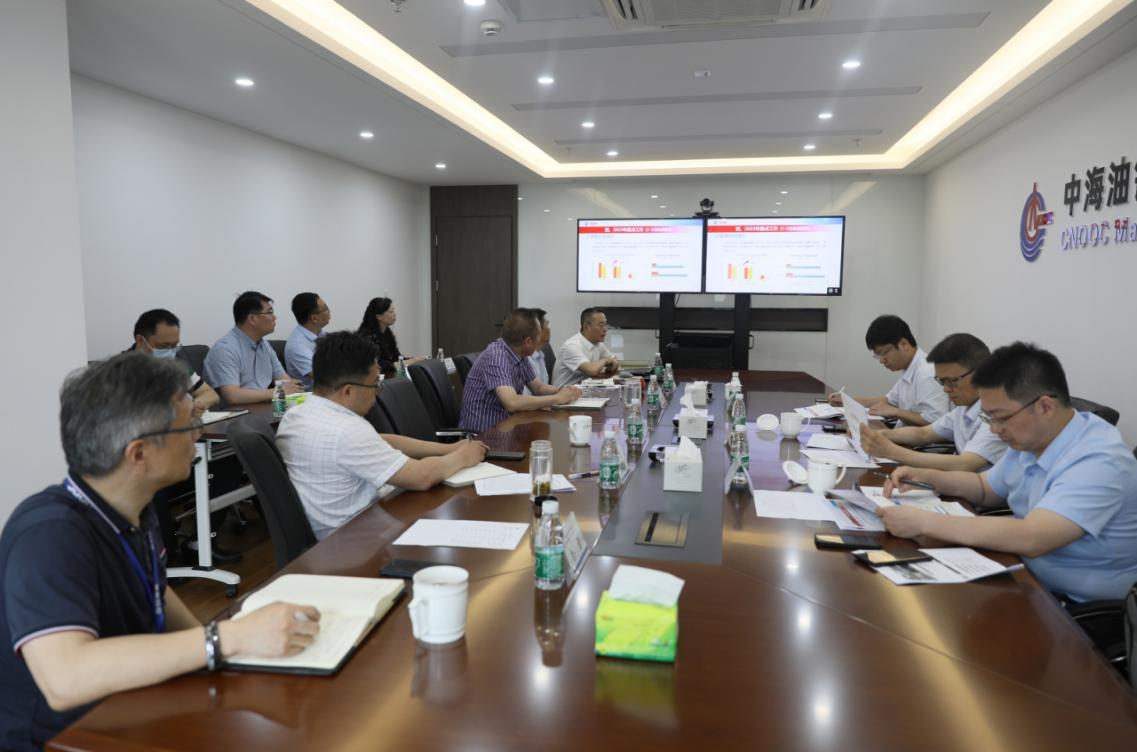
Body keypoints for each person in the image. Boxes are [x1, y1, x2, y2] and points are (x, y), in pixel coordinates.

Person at [0, 354, 319, 751]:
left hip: (133, 707)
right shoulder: (50, 534)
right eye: (189, 425)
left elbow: (155, 588)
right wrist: (225, 639)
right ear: (138, 454)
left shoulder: (134, 507)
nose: (198, 435)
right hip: (66, 738)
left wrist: (226, 649)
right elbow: (65, 678)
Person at [880, 342, 1137, 602]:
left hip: (1070, 604)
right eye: (989, 418)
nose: (994, 429)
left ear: (1045, 407)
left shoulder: (1099, 461)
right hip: (1019, 571)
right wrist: (926, 477)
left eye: (1000, 417)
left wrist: (925, 523)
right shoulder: (1033, 439)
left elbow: (1033, 537)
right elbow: (984, 488)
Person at [276, 332, 488, 540]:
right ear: (348, 391)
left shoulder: (297, 414)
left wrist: (448, 448)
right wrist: (463, 456)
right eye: (375, 385)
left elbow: (378, 440)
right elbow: (421, 477)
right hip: (358, 538)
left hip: (338, 529)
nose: (377, 394)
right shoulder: (348, 430)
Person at [856, 333, 1007, 471]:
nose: (946, 389)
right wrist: (879, 434)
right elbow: (924, 433)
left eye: (952, 381)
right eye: (942, 382)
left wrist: (890, 451)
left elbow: (964, 464)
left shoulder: (998, 413)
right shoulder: (965, 406)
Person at [459, 309, 582, 433]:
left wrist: (563, 391)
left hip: (507, 425)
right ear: (528, 341)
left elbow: (538, 387)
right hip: (484, 434)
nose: (540, 339)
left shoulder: (519, 354)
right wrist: (556, 398)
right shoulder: (496, 356)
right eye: (539, 335)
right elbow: (512, 402)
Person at [828, 314, 948, 426]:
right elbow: (888, 401)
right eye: (878, 355)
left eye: (883, 353)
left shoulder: (927, 372)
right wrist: (847, 401)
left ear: (904, 344)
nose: (881, 360)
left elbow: (936, 422)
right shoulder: (909, 367)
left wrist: (896, 412)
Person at [204, 291, 302, 405]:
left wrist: (293, 388)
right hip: (236, 413)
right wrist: (278, 392)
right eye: (270, 312)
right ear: (253, 319)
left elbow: (285, 383)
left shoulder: (264, 346)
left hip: (263, 408)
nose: (274, 317)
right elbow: (233, 396)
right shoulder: (225, 349)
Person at [130, 308, 218, 416]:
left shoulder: (176, 363)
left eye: (174, 345)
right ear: (140, 341)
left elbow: (210, 394)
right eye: (163, 346)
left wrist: (195, 405)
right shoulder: (120, 372)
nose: (170, 352)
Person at [552, 307, 620, 388]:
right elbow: (592, 370)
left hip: (583, 390)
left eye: (606, 325)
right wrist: (605, 361)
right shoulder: (571, 346)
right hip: (564, 393)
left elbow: (615, 361)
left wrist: (610, 369)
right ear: (586, 326)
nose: (605, 329)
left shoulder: (597, 344)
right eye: (601, 325)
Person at [357, 297, 421, 377]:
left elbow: (397, 358)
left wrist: (415, 359)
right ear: (379, 317)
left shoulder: (387, 333)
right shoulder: (366, 338)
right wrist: (409, 361)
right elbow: (378, 366)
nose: (395, 314)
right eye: (391, 312)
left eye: (394, 311)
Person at [284, 292, 330, 388]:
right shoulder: (297, 345)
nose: (329, 311)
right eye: (325, 308)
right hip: (311, 395)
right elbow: (323, 376)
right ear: (314, 318)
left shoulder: (321, 334)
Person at [522, 307, 550, 395]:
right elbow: (526, 398)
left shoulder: (540, 355)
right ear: (538, 331)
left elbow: (541, 388)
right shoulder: (525, 359)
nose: (549, 330)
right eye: (547, 325)